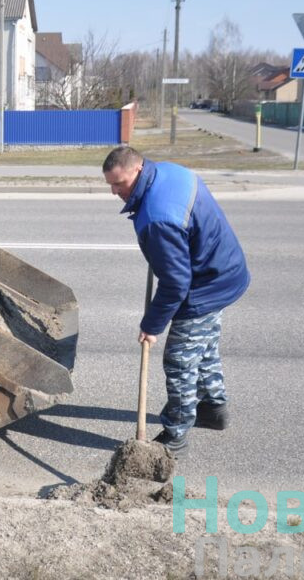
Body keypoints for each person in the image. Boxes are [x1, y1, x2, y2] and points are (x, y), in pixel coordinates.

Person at [102, 145, 250, 458]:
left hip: (205, 284)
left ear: (138, 170)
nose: (115, 192)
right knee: (204, 345)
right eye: (110, 185)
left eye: (119, 183)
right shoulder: (169, 171)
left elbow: (175, 283)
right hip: (224, 269)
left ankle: (175, 437)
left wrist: (152, 325)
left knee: (180, 360)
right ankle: (213, 409)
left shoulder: (157, 218)